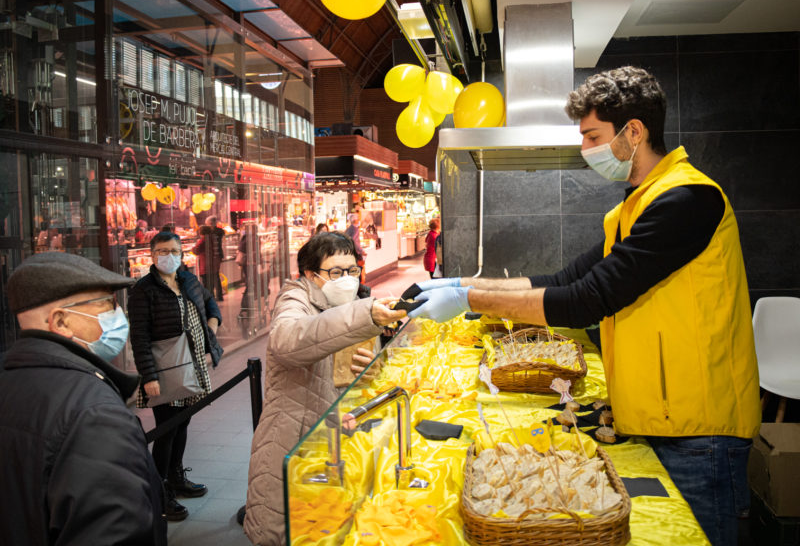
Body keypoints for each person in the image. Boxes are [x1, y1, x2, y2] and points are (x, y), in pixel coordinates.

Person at [405, 66, 760, 546]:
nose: (585, 148)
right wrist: (463, 281)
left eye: (593, 135)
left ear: (634, 131)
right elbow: (566, 278)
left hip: (699, 431)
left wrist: (469, 299)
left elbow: (589, 298)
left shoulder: (687, 198)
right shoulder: (634, 208)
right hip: (657, 416)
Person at [244, 232, 406, 545]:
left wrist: (371, 366)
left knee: (324, 527)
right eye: (336, 272)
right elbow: (288, 341)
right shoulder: (295, 299)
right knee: (282, 531)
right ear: (310, 274)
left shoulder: (354, 304)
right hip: (293, 435)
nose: (346, 279)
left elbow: (358, 375)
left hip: (336, 437)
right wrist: (365, 315)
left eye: (352, 271)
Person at [0, 252, 167, 545]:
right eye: (107, 305)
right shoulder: (95, 415)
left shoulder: (11, 376)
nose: (118, 316)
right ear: (61, 322)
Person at [128, 231, 224, 522]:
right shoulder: (143, 290)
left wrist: (212, 326)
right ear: (152, 254)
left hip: (191, 367)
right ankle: (161, 493)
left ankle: (177, 478)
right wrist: (149, 375)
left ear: (182, 254)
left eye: (173, 250)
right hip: (165, 370)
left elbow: (210, 303)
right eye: (162, 251)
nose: (168, 256)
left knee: (182, 424)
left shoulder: (189, 280)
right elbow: (140, 337)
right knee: (166, 431)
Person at [345, 213, 366, 283]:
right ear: (355, 221)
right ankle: (358, 286)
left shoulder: (349, 229)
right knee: (358, 269)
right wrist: (361, 250)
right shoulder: (355, 229)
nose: (358, 221)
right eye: (357, 219)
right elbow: (355, 241)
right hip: (356, 253)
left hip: (350, 253)